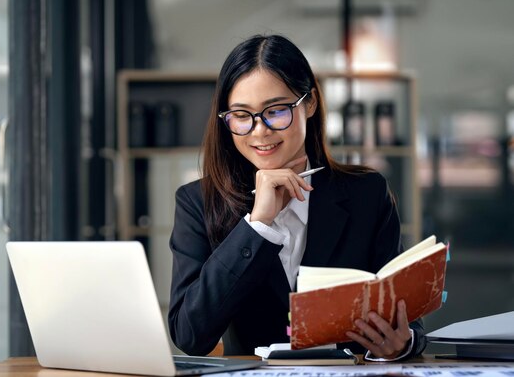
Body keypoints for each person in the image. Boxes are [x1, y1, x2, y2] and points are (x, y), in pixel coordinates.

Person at [167, 34, 426, 360]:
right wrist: (257, 225)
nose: (259, 131)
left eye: (276, 111)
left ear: (311, 103)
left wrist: (403, 345)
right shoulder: (198, 202)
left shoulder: (365, 193)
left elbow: (407, 319)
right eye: (242, 116)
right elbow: (189, 335)